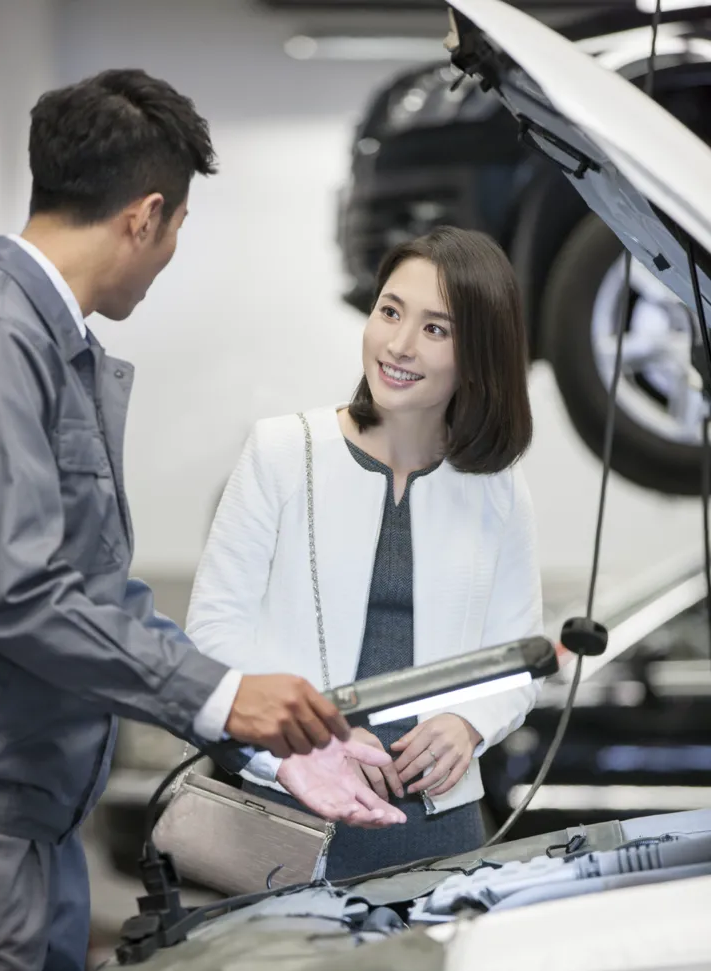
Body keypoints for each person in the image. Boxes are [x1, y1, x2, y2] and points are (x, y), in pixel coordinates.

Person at [0, 68, 403, 971]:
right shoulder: (4, 342)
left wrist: (258, 737)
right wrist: (222, 695)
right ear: (145, 217)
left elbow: (97, 596)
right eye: (176, 231)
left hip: (45, 840)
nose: (170, 257)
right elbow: (21, 593)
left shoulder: (59, 349)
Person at [187, 226, 544, 881]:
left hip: (441, 827)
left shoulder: (497, 487)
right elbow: (211, 636)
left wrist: (468, 722)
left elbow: (520, 655)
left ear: (480, 352)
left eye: (437, 329)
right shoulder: (280, 451)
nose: (399, 345)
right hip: (287, 810)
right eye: (389, 311)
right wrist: (300, 747)